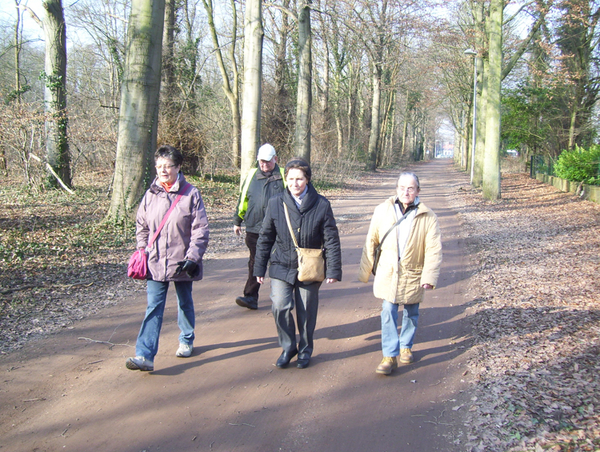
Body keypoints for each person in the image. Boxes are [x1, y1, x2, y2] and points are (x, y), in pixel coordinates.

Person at [126, 145, 210, 372]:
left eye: (168, 166)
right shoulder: (150, 194)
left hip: (181, 261)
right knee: (154, 306)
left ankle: (186, 339)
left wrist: (193, 257)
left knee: (184, 302)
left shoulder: (191, 193)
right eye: (159, 166)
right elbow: (141, 225)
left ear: (178, 167)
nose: (163, 170)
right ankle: (144, 355)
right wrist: (142, 248)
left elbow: (200, 229)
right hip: (154, 260)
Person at [254, 158, 342, 369]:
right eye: (291, 179)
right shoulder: (276, 203)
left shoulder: (321, 204)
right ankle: (288, 346)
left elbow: (331, 238)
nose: (295, 184)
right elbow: (265, 236)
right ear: (286, 180)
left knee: (306, 311)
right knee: (280, 306)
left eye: (299, 179)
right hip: (281, 264)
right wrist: (259, 268)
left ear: (307, 180)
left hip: (310, 266)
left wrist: (333, 269)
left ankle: (305, 350)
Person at [358, 172, 442, 376]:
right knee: (388, 310)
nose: (406, 191)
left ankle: (406, 346)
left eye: (411, 188)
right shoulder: (382, 210)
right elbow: (372, 241)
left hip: (414, 272)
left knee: (411, 312)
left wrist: (429, 277)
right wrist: (365, 271)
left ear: (418, 191)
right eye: (402, 187)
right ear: (396, 189)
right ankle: (389, 355)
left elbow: (433, 249)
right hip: (388, 271)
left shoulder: (428, 216)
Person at [233, 143, 285, 310]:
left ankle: (284, 295)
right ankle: (250, 297)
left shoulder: (284, 175)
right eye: (261, 162)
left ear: (275, 159)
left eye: (267, 162)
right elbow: (243, 199)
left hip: (279, 229)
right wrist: (237, 220)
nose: (264, 165)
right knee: (255, 262)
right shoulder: (252, 175)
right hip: (254, 227)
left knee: (281, 261)